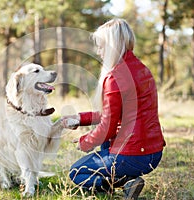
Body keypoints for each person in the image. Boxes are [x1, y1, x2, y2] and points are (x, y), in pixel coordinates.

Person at [62, 18, 166, 199]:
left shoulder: (115, 77)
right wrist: (80, 118)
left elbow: (108, 126)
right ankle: (129, 181)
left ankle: (122, 182)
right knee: (107, 144)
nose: (98, 51)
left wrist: (85, 142)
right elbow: (115, 115)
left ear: (112, 45)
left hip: (132, 155)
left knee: (76, 173)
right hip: (153, 153)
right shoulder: (143, 70)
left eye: (101, 46)